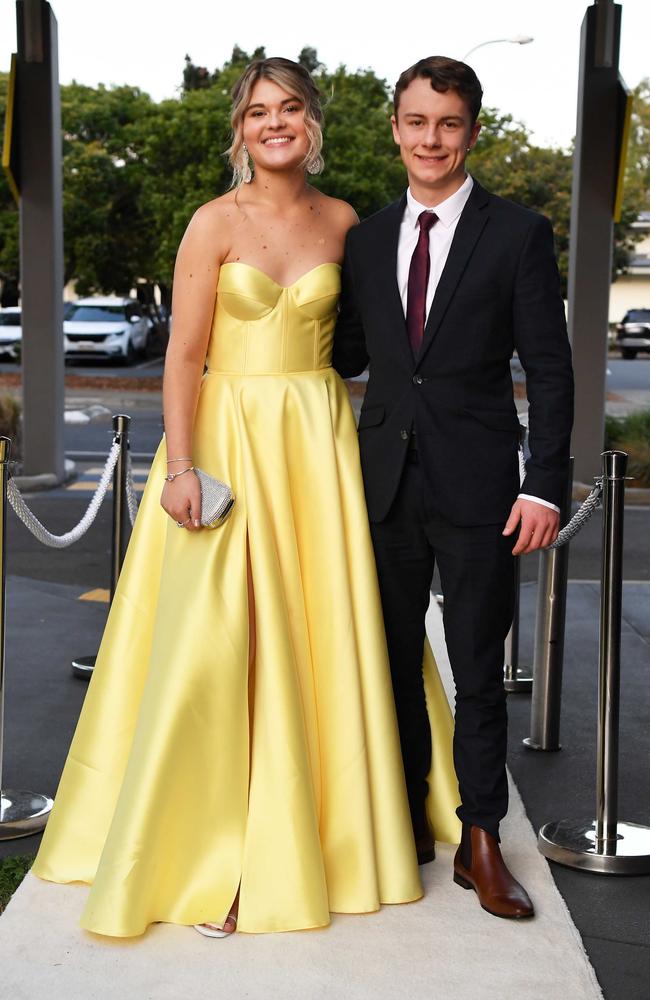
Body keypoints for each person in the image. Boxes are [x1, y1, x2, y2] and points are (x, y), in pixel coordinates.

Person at [32, 57, 461, 939]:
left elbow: (384, 343)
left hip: (317, 443)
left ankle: (334, 829)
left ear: (313, 122)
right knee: (223, 640)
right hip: (228, 439)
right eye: (259, 111)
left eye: (291, 108)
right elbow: (182, 356)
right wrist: (179, 466)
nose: (276, 123)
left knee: (323, 633)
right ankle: (218, 850)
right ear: (241, 129)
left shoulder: (349, 222)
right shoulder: (209, 224)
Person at [333, 56, 574, 920]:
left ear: (472, 131)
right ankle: (400, 823)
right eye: (416, 121)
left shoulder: (518, 233)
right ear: (395, 128)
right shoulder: (362, 239)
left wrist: (545, 486)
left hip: (482, 488)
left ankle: (481, 840)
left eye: (449, 123)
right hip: (382, 484)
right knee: (389, 664)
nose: (430, 139)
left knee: (477, 670)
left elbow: (550, 369)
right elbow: (347, 354)